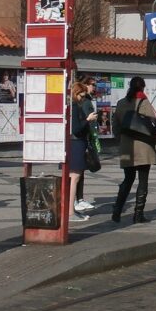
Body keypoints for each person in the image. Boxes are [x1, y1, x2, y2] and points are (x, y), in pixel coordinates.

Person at [111, 76, 156, 223]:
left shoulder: (121, 103)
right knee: (143, 181)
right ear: (142, 87)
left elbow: (116, 127)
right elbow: (153, 125)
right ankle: (138, 215)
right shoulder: (143, 102)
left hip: (127, 148)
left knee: (128, 179)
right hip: (143, 147)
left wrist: (122, 139)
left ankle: (117, 212)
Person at [68, 78, 98, 220]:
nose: (83, 98)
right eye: (81, 95)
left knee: (76, 177)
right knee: (74, 178)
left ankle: (71, 210)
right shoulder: (74, 107)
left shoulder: (76, 106)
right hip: (75, 143)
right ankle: (70, 212)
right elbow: (76, 128)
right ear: (76, 94)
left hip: (77, 143)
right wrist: (88, 120)